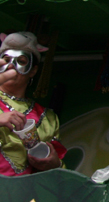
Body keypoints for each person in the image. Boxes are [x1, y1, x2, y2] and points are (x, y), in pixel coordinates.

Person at [0, 32, 66, 175]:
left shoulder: (47, 118)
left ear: (33, 70)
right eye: (6, 60)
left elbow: (59, 175)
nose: (11, 66)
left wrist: (55, 165)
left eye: (21, 61)